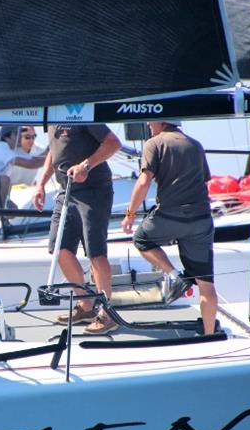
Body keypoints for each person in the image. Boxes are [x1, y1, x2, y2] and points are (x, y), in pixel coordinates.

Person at [121, 121, 219, 335]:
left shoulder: (154, 143)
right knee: (206, 283)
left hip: (170, 215)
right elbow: (204, 181)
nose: (147, 123)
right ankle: (209, 334)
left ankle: (177, 276)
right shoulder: (195, 145)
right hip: (201, 219)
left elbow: (144, 181)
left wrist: (130, 215)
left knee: (141, 239)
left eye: (150, 119)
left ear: (160, 120)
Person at [33, 124, 122, 334]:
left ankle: (107, 314)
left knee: (96, 252)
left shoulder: (83, 114)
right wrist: (41, 183)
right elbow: (53, 152)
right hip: (66, 191)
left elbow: (113, 143)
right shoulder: (53, 118)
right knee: (59, 248)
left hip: (94, 191)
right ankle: (86, 306)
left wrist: (86, 166)